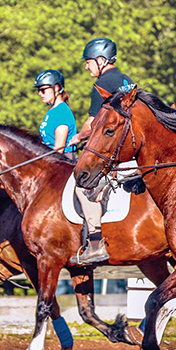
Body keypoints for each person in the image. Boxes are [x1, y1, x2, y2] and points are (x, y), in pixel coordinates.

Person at [67, 37, 136, 265]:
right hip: (135, 150)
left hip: (116, 151)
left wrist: (76, 138)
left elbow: (92, 124)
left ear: (100, 60)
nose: (87, 66)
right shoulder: (127, 80)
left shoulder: (102, 84)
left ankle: (95, 242)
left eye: (88, 62)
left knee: (83, 187)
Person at [34, 69, 77, 158]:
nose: (40, 94)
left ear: (56, 88)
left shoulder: (62, 112)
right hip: (51, 159)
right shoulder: (53, 110)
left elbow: (59, 149)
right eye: (38, 90)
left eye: (43, 90)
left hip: (63, 160)